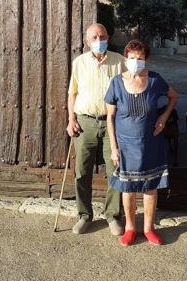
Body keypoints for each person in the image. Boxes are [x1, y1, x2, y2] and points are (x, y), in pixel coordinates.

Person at [105, 40, 178, 246]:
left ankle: (148, 228)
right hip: (125, 145)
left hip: (151, 143)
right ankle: (130, 228)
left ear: (146, 59)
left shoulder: (155, 80)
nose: (135, 61)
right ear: (126, 58)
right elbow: (110, 116)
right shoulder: (116, 83)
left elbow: (174, 96)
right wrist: (113, 147)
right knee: (128, 188)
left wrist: (163, 118)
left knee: (150, 187)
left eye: (140, 58)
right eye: (131, 58)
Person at [67, 23, 126, 236]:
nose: (98, 40)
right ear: (87, 40)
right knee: (82, 171)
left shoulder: (120, 61)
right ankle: (84, 215)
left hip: (112, 123)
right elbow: (72, 93)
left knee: (115, 171)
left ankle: (113, 216)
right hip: (85, 123)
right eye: (94, 37)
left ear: (108, 37)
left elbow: (131, 88)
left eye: (102, 36)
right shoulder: (79, 62)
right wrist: (71, 119)